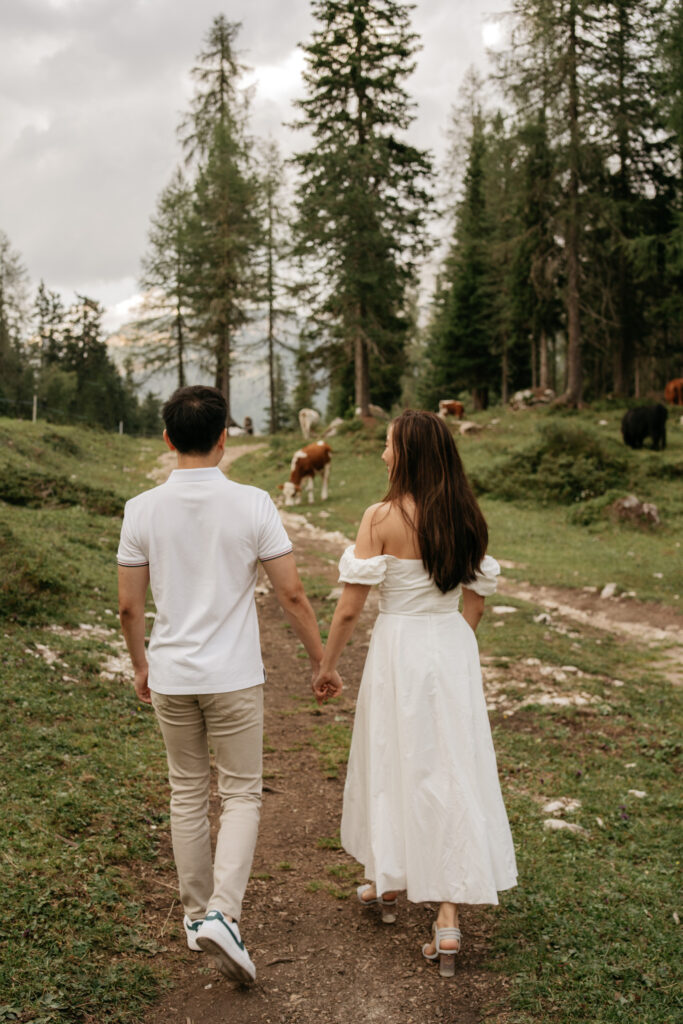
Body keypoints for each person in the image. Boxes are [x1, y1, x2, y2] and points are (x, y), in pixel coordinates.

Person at [117, 385, 341, 985]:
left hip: (170, 674)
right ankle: (224, 912)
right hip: (233, 676)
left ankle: (195, 920)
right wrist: (323, 661)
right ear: (224, 438)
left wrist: (140, 664)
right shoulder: (253, 503)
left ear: (167, 440)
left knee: (186, 792)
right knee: (241, 793)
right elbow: (292, 594)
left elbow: (128, 609)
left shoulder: (141, 509)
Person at [313, 410, 517, 978]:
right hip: (449, 646)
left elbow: (351, 607)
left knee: (392, 757)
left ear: (407, 454)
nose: (383, 455)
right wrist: (447, 651)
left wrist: (327, 665)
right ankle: (444, 916)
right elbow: (473, 602)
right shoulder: (467, 517)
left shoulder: (381, 516)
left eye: (387, 446)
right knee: (449, 767)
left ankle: (385, 881)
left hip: (399, 648)